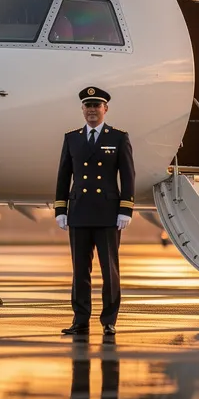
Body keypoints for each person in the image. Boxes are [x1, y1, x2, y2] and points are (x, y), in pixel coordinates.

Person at [56, 86, 135, 337]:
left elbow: (128, 175)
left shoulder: (118, 137)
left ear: (105, 109)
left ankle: (109, 320)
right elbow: (63, 176)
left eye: (96, 106)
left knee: (109, 271)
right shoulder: (72, 138)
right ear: (82, 109)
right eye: (88, 106)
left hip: (108, 214)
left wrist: (126, 208)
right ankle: (80, 320)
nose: (92, 110)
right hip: (79, 212)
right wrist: (61, 208)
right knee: (80, 271)